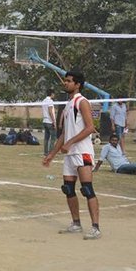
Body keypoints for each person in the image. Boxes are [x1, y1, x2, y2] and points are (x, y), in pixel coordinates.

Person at [43, 69, 101, 240]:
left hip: (82, 152)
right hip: (69, 155)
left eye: (69, 81)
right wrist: (51, 155)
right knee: (68, 189)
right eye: (65, 80)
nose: (65, 83)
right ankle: (76, 223)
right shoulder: (68, 105)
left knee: (87, 189)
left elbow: (90, 128)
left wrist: (70, 143)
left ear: (77, 84)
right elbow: (63, 134)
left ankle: (95, 227)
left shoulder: (82, 102)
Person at [42, 88, 58, 155]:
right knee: (53, 138)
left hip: (45, 121)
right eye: (54, 94)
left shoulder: (43, 101)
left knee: (46, 138)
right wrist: (54, 122)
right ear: (52, 94)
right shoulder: (50, 101)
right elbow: (50, 111)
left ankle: (45, 152)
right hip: (49, 121)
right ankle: (51, 152)